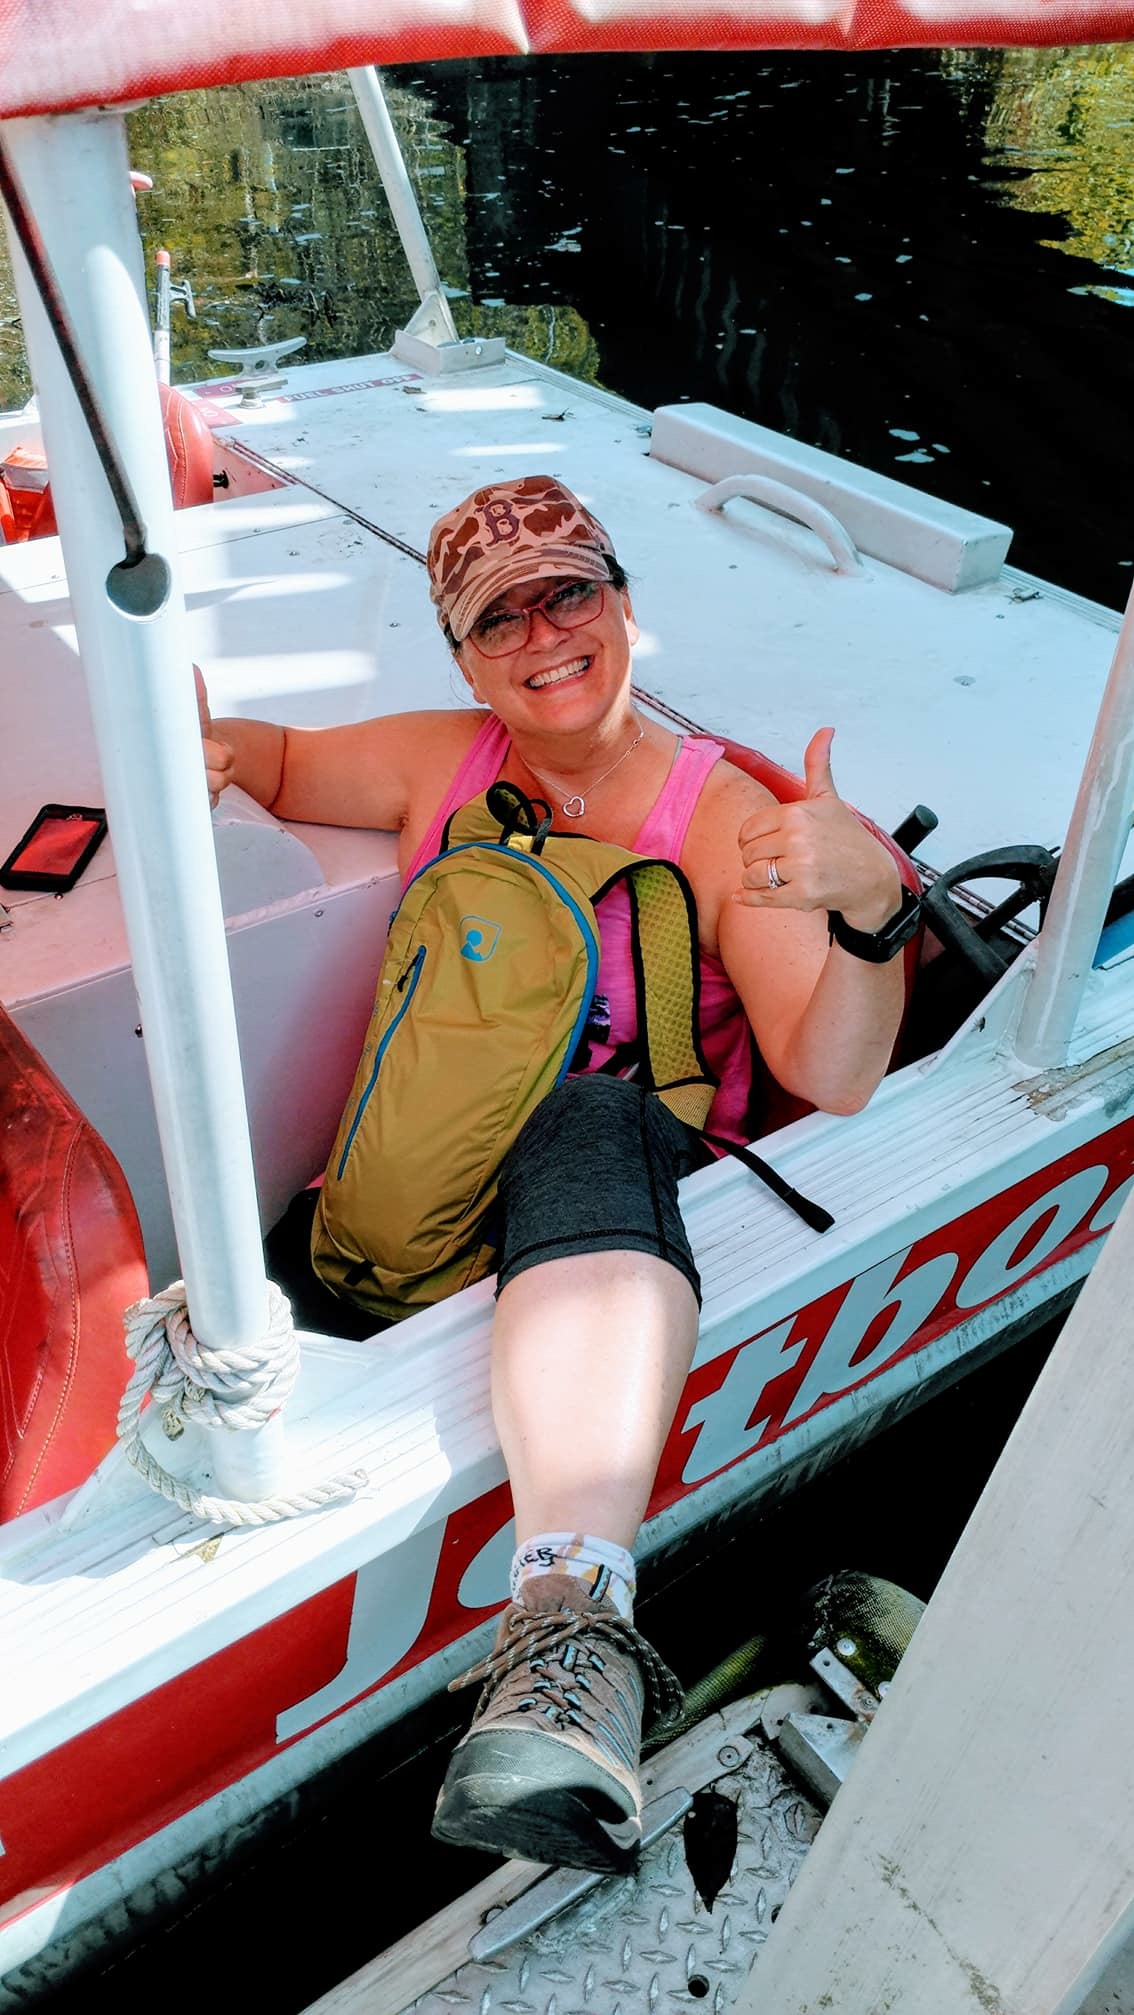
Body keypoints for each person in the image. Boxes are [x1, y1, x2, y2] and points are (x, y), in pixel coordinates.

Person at [197, 474, 911, 1874]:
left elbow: (831, 1074)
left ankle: (568, 1637)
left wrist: (871, 913)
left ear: (624, 605)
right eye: (498, 618)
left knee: (590, 1111)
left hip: (604, 1210)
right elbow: (274, 762)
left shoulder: (721, 819)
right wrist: (196, 739)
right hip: (411, 1197)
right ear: (465, 659)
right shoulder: (437, 759)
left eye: (569, 593)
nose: (542, 636)